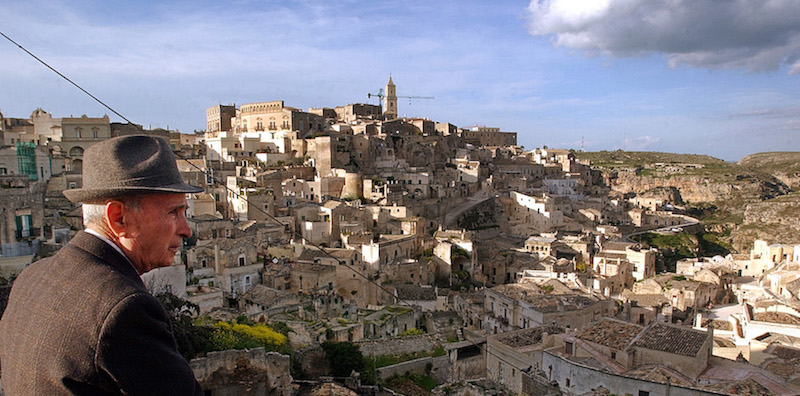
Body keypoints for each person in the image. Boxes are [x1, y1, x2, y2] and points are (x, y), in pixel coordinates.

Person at [0, 135, 204, 395]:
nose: (186, 230)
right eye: (173, 212)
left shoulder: (31, 277)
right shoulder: (124, 310)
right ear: (118, 218)